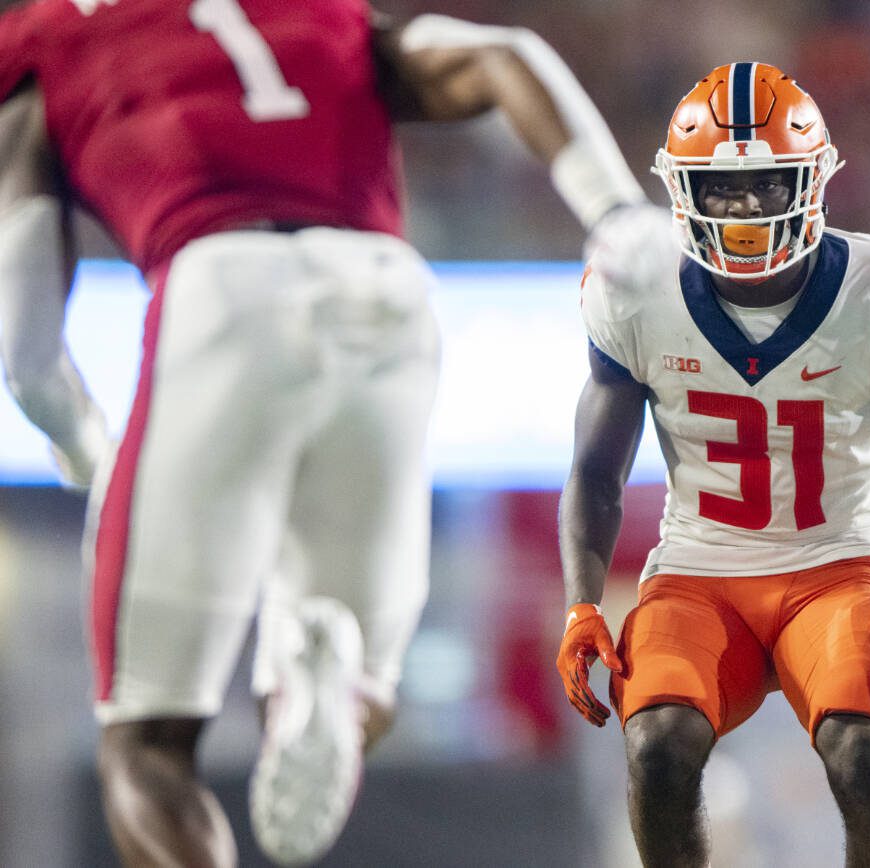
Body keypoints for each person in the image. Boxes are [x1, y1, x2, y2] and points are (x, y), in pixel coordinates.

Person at [0, 2, 670, 865]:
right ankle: (321, 676)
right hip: (386, 290)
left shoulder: (50, 41)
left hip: (220, 281)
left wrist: (83, 446)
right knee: (369, 690)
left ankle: (306, 670)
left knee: (146, 735)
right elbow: (507, 54)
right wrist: (615, 211)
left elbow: (24, 348)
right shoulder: (317, 14)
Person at [557, 61, 870, 867]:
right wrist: (580, 605)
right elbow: (596, 472)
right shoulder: (637, 287)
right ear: (681, 190)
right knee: (656, 745)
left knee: (865, 758)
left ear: (815, 179)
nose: (745, 210)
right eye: (723, 190)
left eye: (766, 185)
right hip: (698, 568)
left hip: (835, 566)